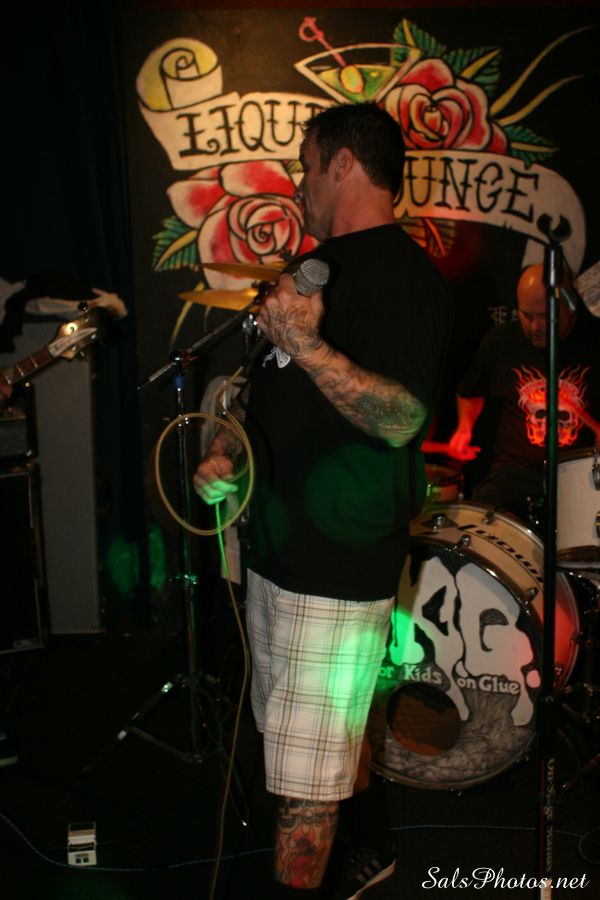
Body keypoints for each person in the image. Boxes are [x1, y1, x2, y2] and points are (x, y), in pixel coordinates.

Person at [193, 103, 452, 899]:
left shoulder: (404, 278)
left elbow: (402, 418)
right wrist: (230, 452)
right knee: (309, 750)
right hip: (279, 554)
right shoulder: (312, 269)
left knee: (304, 787)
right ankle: (368, 848)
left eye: (307, 164)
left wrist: (306, 345)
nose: (299, 181)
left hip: (336, 570)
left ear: (343, 164)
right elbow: (269, 402)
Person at [448, 262, 600, 521]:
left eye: (545, 316)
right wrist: (465, 426)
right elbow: (470, 392)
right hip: (512, 475)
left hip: (577, 475)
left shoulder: (595, 343)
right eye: (527, 315)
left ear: (569, 304)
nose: (535, 326)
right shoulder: (500, 341)